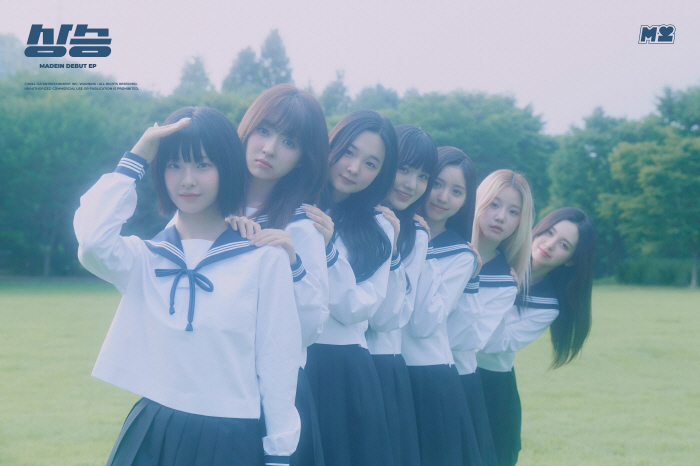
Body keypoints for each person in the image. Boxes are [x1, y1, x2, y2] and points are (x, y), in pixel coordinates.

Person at [74, 107, 302, 466]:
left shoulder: (264, 259)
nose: (187, 180)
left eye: (203, 165)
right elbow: (92, 241)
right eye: (174, 165)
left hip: (231, 436)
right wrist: (138, 155)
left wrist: (279, 453)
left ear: (227, 169)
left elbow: (279, 362)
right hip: (154, 430)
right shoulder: (146, 258)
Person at [233, 84, 331, 466]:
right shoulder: (207, 206)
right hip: (211, 382)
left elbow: (309, 330)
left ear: (304, 159)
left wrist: (293, 264)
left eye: (288, 142)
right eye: (264, 130)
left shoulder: (303, 225)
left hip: (273, 396)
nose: (270, 148)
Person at [304, 110, 401, 466]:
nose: (354, 168)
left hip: (341, 369)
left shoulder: (380, 227)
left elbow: (356, 309)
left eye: (371, 163)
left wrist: (328, 252)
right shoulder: (293, 205)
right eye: (348, 151)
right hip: (285, 358)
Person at [477, 207, 594, 466]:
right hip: (447, 369)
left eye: (563, 245)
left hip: (492, 387)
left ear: (570, 260)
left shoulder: (547, 306)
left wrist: (505, 292)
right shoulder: (490, 255)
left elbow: (492, 343)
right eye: (549, 232)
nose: (549, 245)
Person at [401, 146, 483, 466]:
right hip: (387, 367)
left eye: (457, 191)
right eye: (436, 183)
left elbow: (423, 324)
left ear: (465, 201)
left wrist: (422, 246)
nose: (443, 197)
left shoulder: (462, 255)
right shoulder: (392, 228)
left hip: (428, 377)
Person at [448, 169, 535, 466]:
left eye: (513, 212)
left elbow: (470, 340)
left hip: (460, 382)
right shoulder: (442, 243)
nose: (500, 217)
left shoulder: (505, 280)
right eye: (494, 204)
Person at [365, 125, 438, 466]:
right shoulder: (344, 215)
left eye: (423, 176)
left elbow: (391, 316)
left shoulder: (415, 235)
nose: (411, 184)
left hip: (382, 364)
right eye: (404, 169)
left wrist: (392, 244)